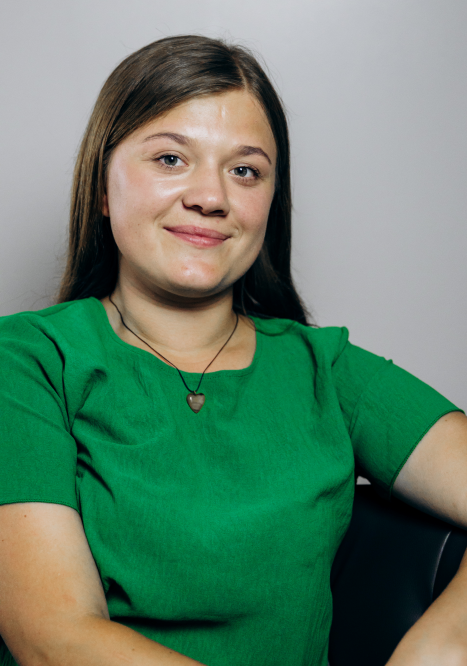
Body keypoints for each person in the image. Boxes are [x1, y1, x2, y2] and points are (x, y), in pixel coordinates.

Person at [0, 35, 466, 666]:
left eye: (245, 170)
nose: (211, 197)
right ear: (103, 189)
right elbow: (55, 640)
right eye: (170, 159)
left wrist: (445, 639)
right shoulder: (27, 360)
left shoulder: (326, 370)